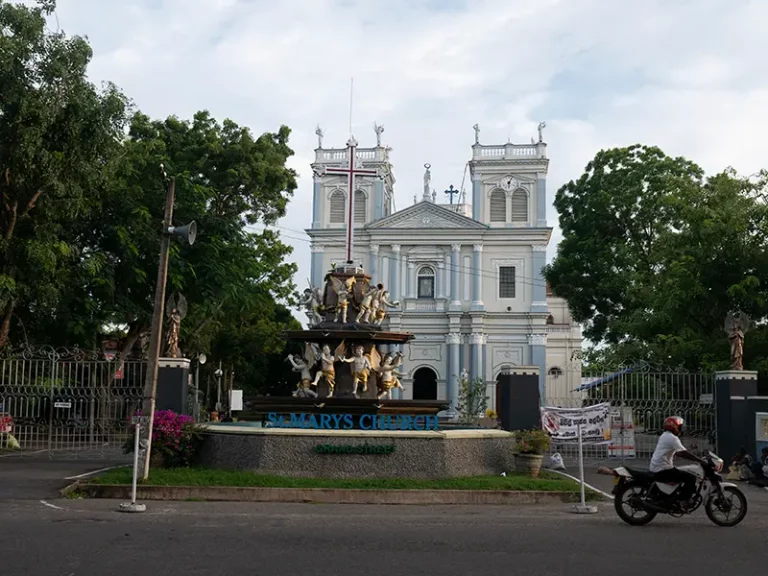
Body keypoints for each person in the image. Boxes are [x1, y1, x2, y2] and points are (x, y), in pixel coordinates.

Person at [649, 416, 704, 503]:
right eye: (680, 427)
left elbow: (678, 452)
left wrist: (689, 452)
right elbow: (682, 453)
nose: (681, 429)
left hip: (657, 467)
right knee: (690, 477)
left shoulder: (664, 435)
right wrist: (699, 460)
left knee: (681, 473)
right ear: (674, 426)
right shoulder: (673, 438)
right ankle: (682, 500)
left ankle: (675, 493)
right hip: (663, 469)